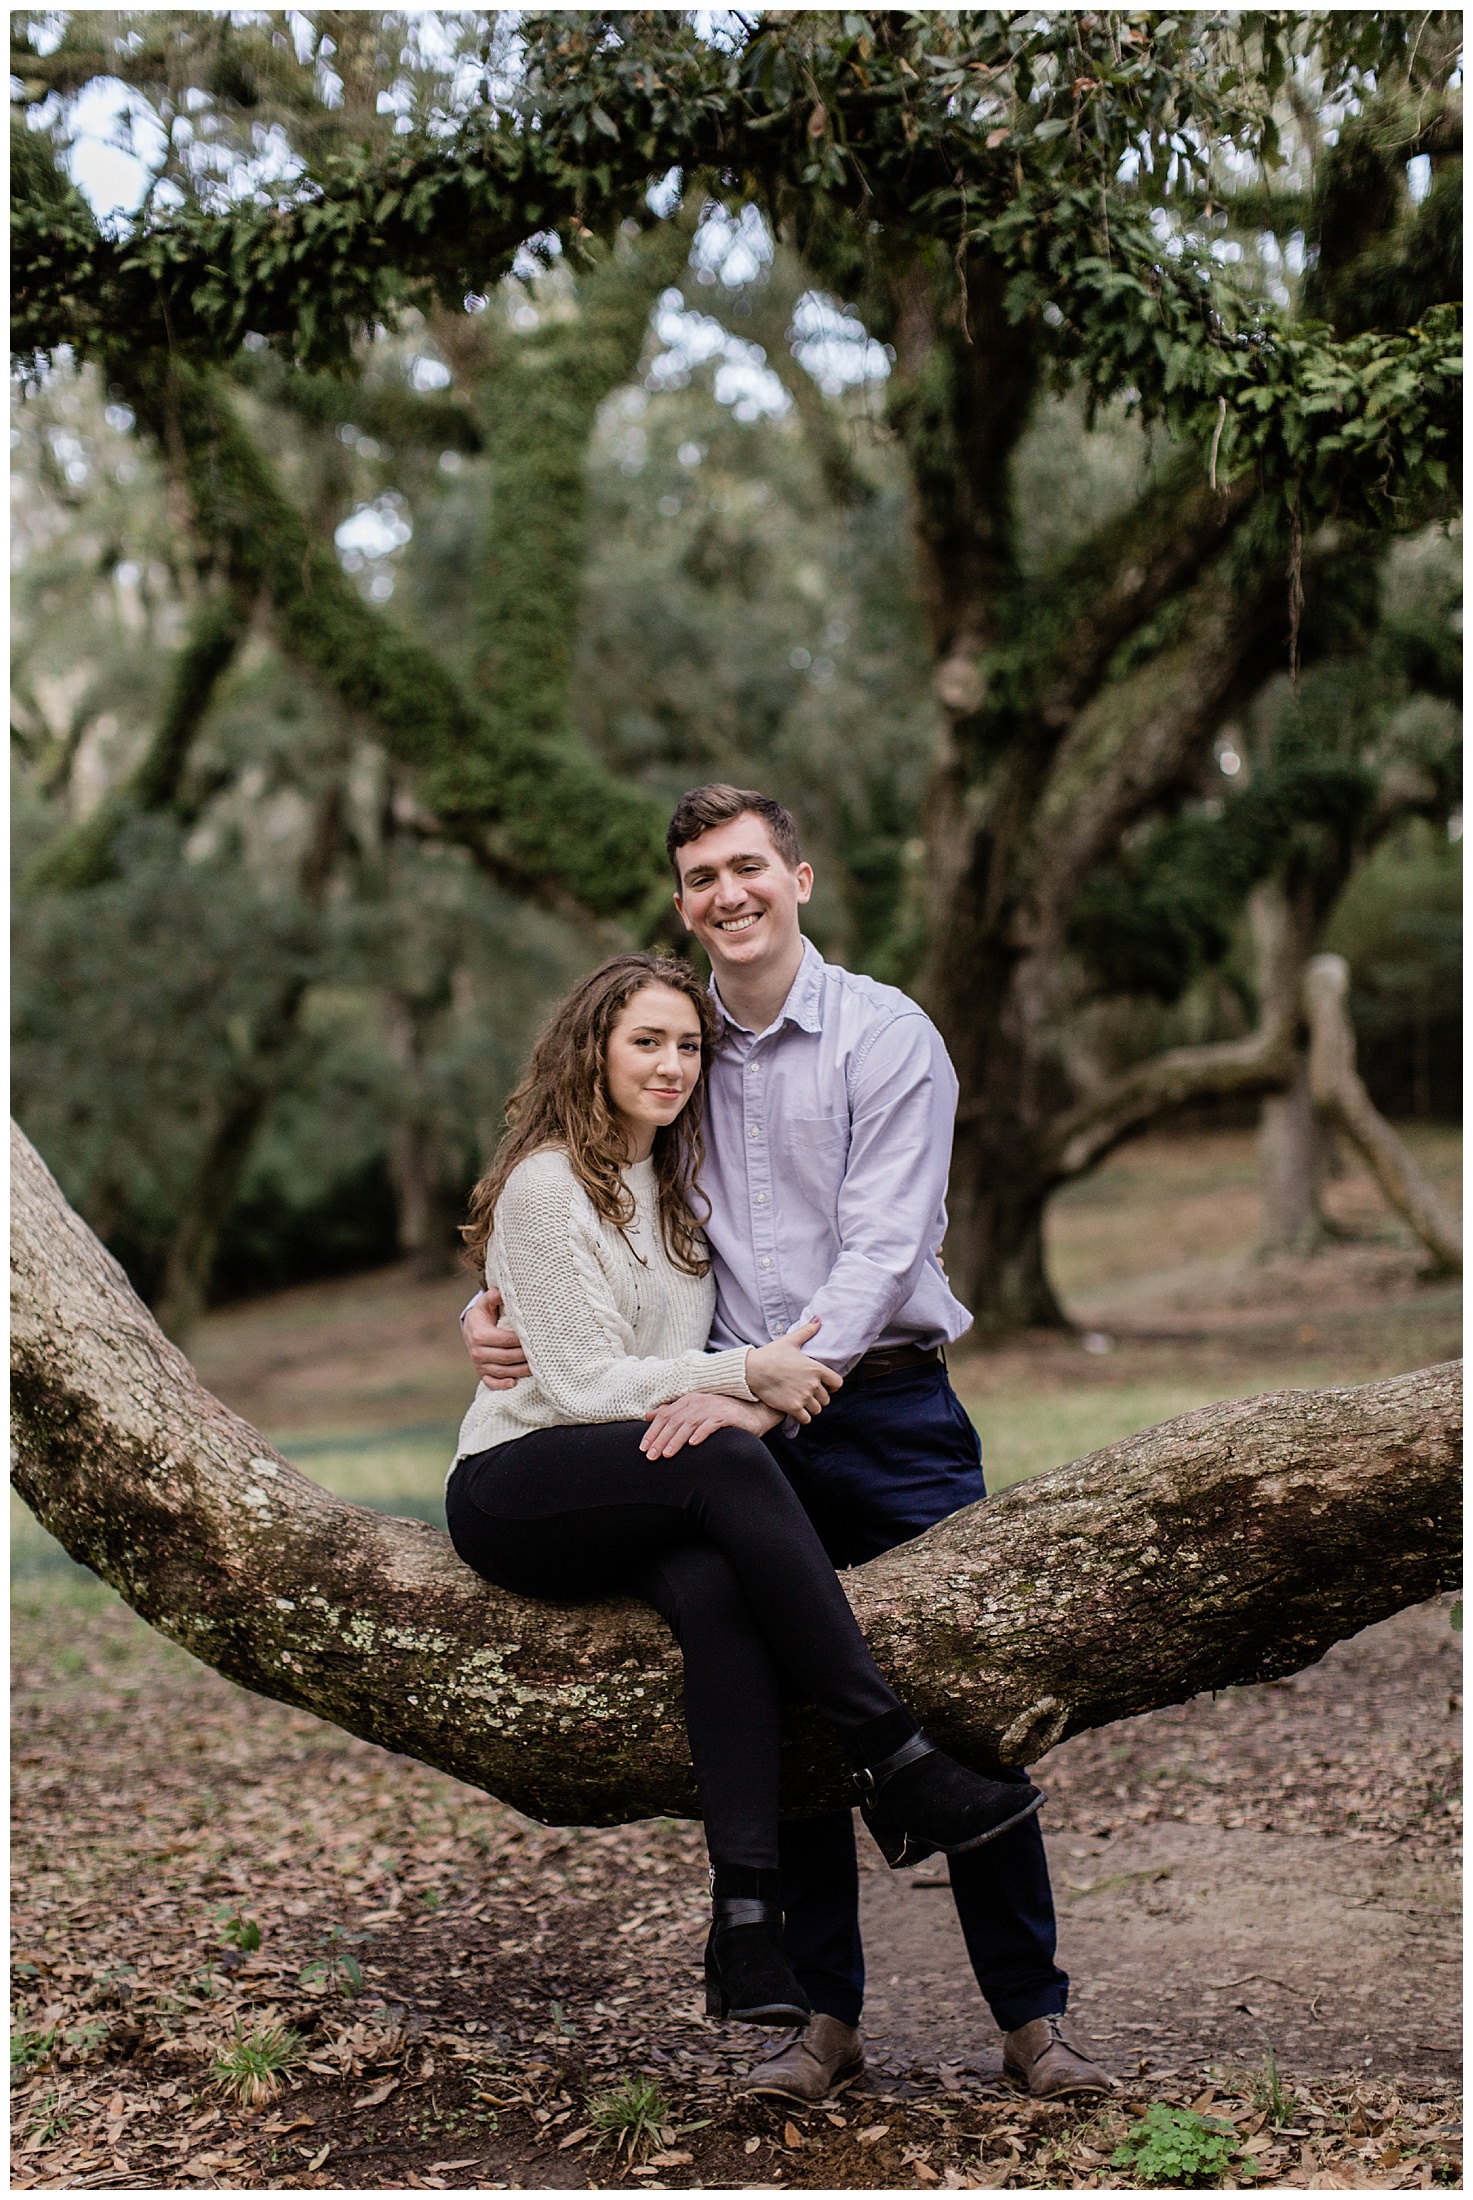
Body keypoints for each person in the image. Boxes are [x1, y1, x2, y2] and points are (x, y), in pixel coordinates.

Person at [462, 787, 1111, 2104]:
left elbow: (882, 1248)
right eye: (701, 876)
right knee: (771, 1666)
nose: (726, 893)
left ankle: (1030, 2016)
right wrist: (488, 1312)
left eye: (747, 865)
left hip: (874, 1404)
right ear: (684, 899)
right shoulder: (670, 1047)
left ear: (798, 876)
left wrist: (772, 1391)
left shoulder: (884, 1036)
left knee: (968, 1678)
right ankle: (818, 2017)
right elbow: (579, 1198)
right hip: (709, 1418)